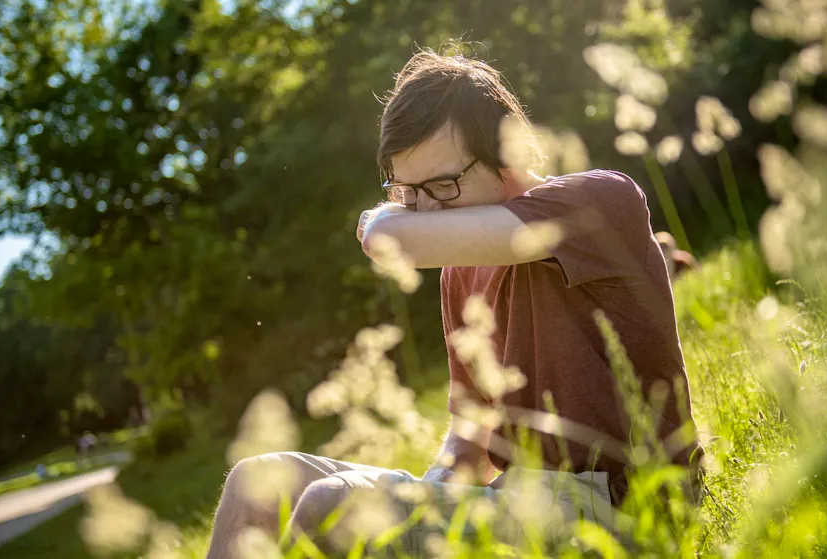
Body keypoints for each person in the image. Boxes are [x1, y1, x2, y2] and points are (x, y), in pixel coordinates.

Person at [206, 49, 701, 558]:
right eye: (406, 192)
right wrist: (431, 493)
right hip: (515, 501)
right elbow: (472, 433)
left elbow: (392, 240)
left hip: (627, 503)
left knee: (335, 505)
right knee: (255, 484)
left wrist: (380, 221)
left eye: (441, 186)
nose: (422, 211)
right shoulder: (459, 272)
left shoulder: (600, 201)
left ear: (505, 156)